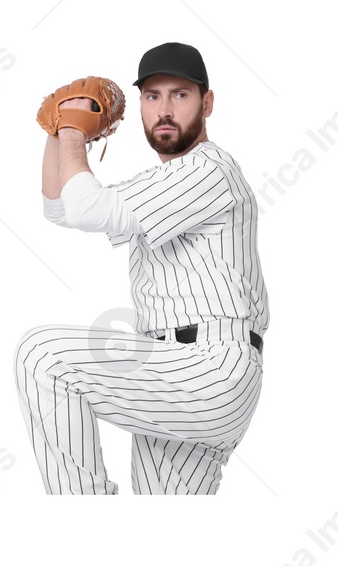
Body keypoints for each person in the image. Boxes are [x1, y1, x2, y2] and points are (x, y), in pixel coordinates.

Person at [16, 43, 268, 494]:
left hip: (209, 367)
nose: (165, 109)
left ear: (207, 103)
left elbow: (88, 208)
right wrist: (58, 132)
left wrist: (73, 126)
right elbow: (60, 208)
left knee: (44, 356)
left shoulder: (208, 168)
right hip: (176, 372)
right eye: (152, 97)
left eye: (180, 95)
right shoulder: (164, 181)